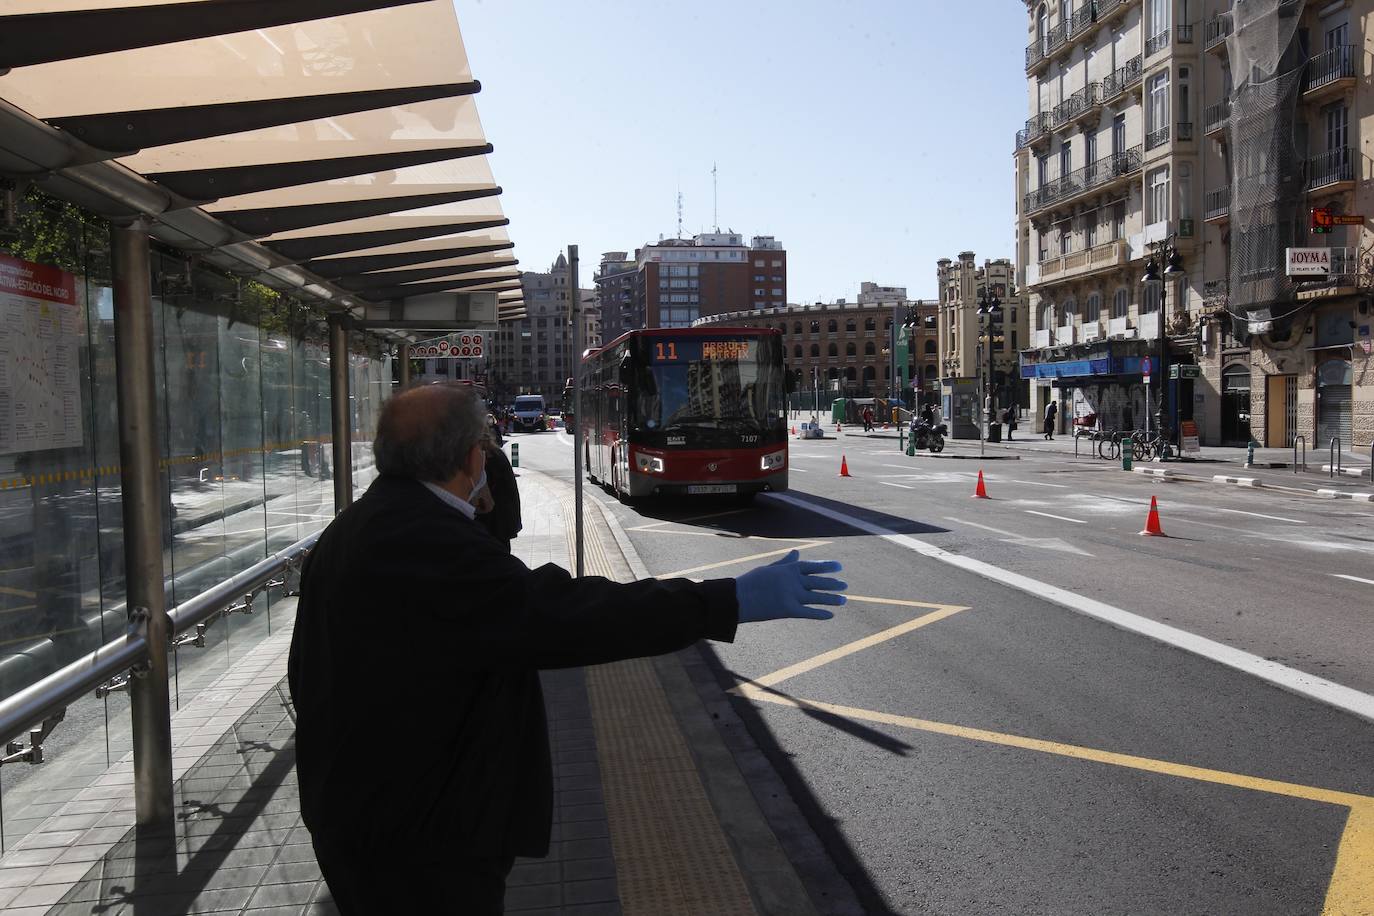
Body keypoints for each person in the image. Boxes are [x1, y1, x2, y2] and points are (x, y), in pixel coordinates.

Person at [287, 383, 846, 915]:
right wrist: (726, 601)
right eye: (483, 446)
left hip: (367, 812)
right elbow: (563, 615)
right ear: (469, 459)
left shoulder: (363, 525)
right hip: (419, 836)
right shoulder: (424, 540)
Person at [475, 436, 521, 551]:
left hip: (492, 527)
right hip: (502, 526)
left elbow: (485, 503)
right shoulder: (496, 454)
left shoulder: (484, 457)